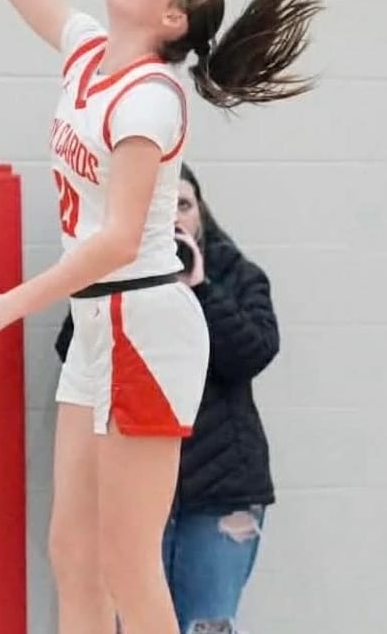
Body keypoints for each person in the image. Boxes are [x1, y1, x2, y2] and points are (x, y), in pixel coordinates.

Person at [0, 0, 321, 634]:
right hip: (98, 325)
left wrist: (12, 303)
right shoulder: (86, 51)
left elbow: (119, 240)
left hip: (144, 322)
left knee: (127, 563)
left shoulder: (151, 97)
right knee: (73, 556)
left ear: (172, 18)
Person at [56, 162, 279, 634]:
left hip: (221, 489)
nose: (174, 216)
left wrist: (199, 289)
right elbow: (73, 352)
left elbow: (251, 354)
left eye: (184, 204)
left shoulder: (237, 274)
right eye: (162, 206)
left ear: (202, 212)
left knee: (206, 624)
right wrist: (119, 280)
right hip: (136, 480)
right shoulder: (114, 273)